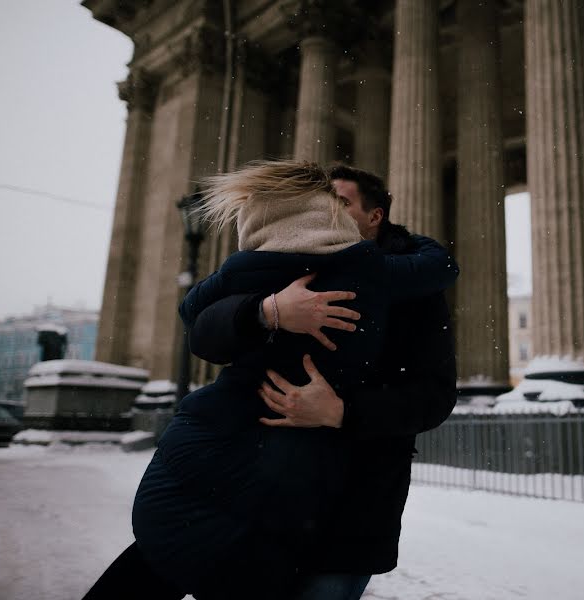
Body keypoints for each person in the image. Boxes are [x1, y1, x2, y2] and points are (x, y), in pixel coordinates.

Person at [83, 160, 458, 599]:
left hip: (352, 503)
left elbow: (434, 397)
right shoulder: (274, 265)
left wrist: (342, 411)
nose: (327, 209)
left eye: (340, 201)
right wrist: (267, 310)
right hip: (241, 478)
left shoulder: (402, 285)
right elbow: (201, 329)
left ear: (375, 216)